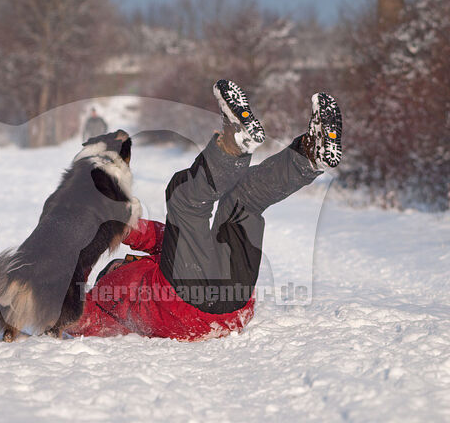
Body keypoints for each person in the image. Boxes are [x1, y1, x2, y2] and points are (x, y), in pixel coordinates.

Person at [67, 80, 343, 341]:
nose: (121, 262)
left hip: (233, 306)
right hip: (182, 306)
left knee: (242, 201)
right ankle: (233, 144)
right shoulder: (102, 303)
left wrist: (114, 227)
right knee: (183, 198)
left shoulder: (163, 263)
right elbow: (70, 316)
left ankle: (308, 155)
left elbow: (160, 236)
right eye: (116, 265)